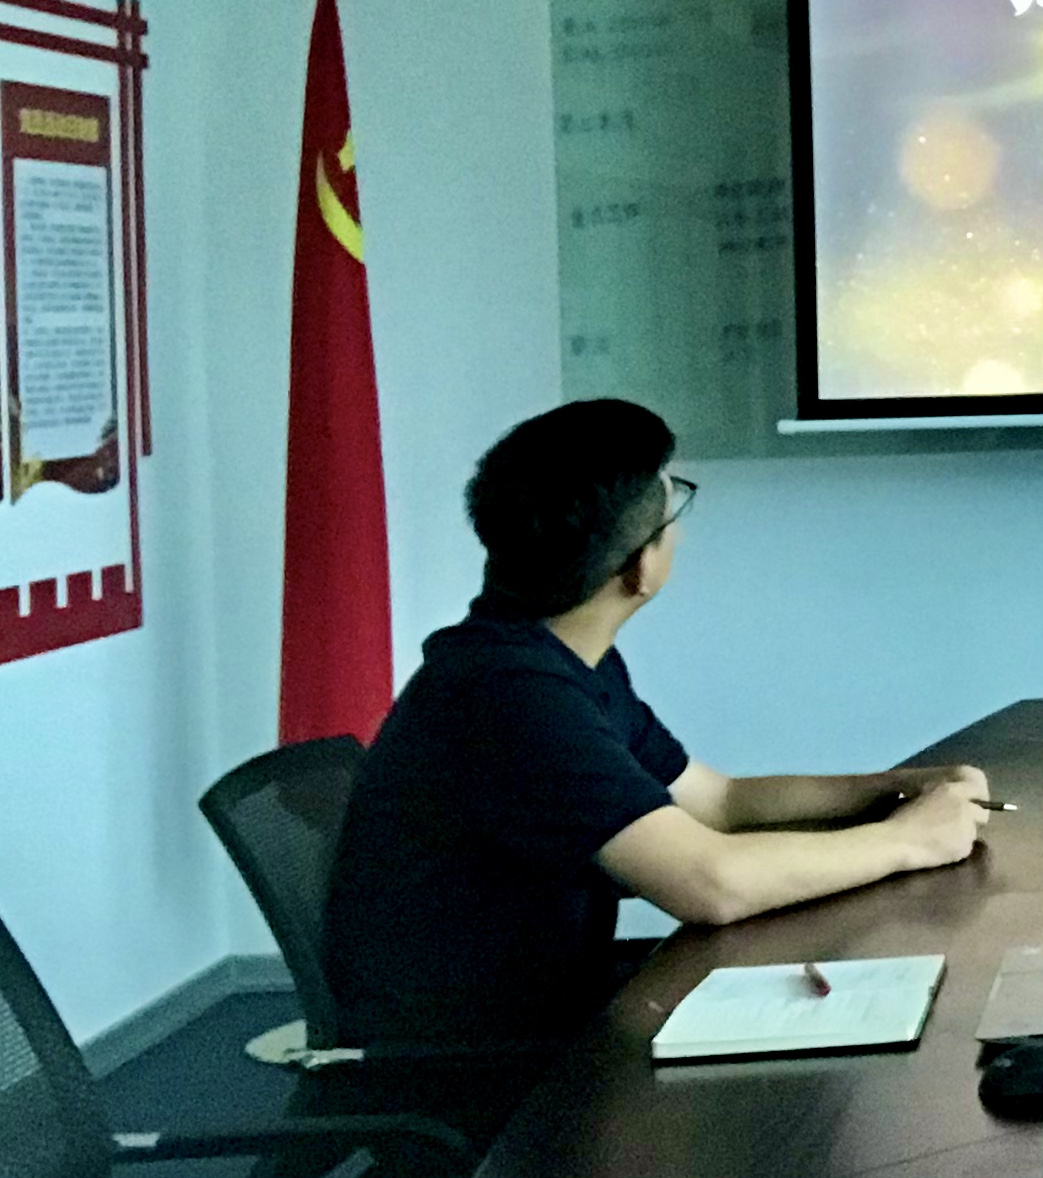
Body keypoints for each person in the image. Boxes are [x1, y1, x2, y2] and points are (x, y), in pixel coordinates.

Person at [323, 398, 994, 1056]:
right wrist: (909, 841)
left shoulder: (550, 658)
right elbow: (710, 884)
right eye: (673, 515)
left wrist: (892, 790)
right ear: (638, 568)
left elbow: (718, 801)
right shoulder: (510, 696)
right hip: (484, 1063)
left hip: (550, 1009)